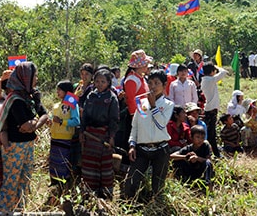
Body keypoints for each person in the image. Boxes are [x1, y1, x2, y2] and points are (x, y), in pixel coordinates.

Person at [0, 62, 49, 212]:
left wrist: (35, 125)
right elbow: (25, 125)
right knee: (12, 181)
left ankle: (19, 210)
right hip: (14, 146)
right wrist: (34, 123)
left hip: (28, 144)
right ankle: (4, 211)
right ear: (25, 77)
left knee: (25, 180)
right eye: (34, 76)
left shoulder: (30, 97)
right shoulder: (15, 100)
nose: (36, 79)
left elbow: (44, 115)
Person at [124, 69, 174, 200]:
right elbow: (135, 126)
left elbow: (161, 124)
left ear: (164, 86)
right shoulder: (141, 104)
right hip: (142, 149)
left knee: (158, 186)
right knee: (130, 183)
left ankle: (157, 207)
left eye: (157, 83)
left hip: (161, 149)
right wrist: (132, 144)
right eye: (150, 83)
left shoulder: (168, 104)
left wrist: (153, 106)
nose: (153, 86)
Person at [80, 69, 119, 198]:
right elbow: (84, 115)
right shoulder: (91, 95)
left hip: (104, 136)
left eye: (103, 81)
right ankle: (90, 194)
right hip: (90, 136)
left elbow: (114, 120)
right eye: (97, 81)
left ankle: (105, 196)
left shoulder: (112, 98)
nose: (100, 84)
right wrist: (82, 131)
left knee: (105, 166)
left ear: (108, 82)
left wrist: (112, 137)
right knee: (89, 166)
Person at [49, 80, 80, 193]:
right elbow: (54, 119)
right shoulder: (57, 105)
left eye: (59, 90)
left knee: (63, 162)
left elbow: (76, 121)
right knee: (54, 162)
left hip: (65, 139)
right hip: (55, 137)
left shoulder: (72, 104)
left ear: (67, 91)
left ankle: (64, 186)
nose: (57, 92)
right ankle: (54, 183)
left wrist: (62, 121)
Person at [201, 62, 228, 157]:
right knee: (211, 133)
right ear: (212, 71)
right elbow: (224, 72)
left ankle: (213, 151)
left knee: (211, 132)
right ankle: (215, 153)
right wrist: (216, 66)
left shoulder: (206, 80)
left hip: (210, 109)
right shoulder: (210, 80)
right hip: (211, 110)